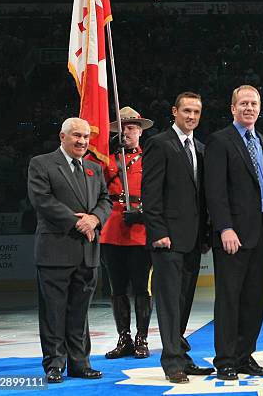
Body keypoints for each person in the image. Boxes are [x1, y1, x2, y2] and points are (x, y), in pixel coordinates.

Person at [27, 117, 112, 383]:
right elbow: (42, 201)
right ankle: (54, 364)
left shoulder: (93, 169)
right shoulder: (41, 164)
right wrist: (78, 222)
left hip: (87, 252)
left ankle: (79, 363)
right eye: (77, 135)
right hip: (55, 251)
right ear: (62, 136)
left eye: (86, 137)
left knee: (79, 312)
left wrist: (95, 219)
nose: (82, 141)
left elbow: (104, 199)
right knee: (53, 312)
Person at [142, 92, 214, 383]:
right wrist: (158, 232)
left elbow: (201, 198)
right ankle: (171, 362)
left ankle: (181, 354)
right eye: (186, 110)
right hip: (168, 240)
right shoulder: (159, 144)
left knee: (184, 302)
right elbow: (151, 192)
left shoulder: (200, 147)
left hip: (193, 240)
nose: (192, 116)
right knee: (170, 303)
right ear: (174, 111)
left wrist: (206, 234)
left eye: (196, 111)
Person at [204, 85, 263, 381]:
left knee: (254, 300)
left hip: (260, 236)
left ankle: (245, 356)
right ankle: (226, 359)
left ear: (259, 108)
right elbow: (214, 190)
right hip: (232, 236)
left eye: (253, 103)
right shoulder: (220, 141)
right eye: (243, 103)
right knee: (230, 300)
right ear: (233, 108)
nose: (249, 108)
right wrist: (225, 227)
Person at [98, 106, 153, 360]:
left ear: (140, 132)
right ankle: (124, 338)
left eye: (132, 127)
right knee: (117, 288)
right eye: (123, 127)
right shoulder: (106, 159)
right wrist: (108, 147)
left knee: (142, 288)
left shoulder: (149, 158)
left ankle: (142, 338)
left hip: (140, 229)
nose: (128, 132)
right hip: (112, 229)